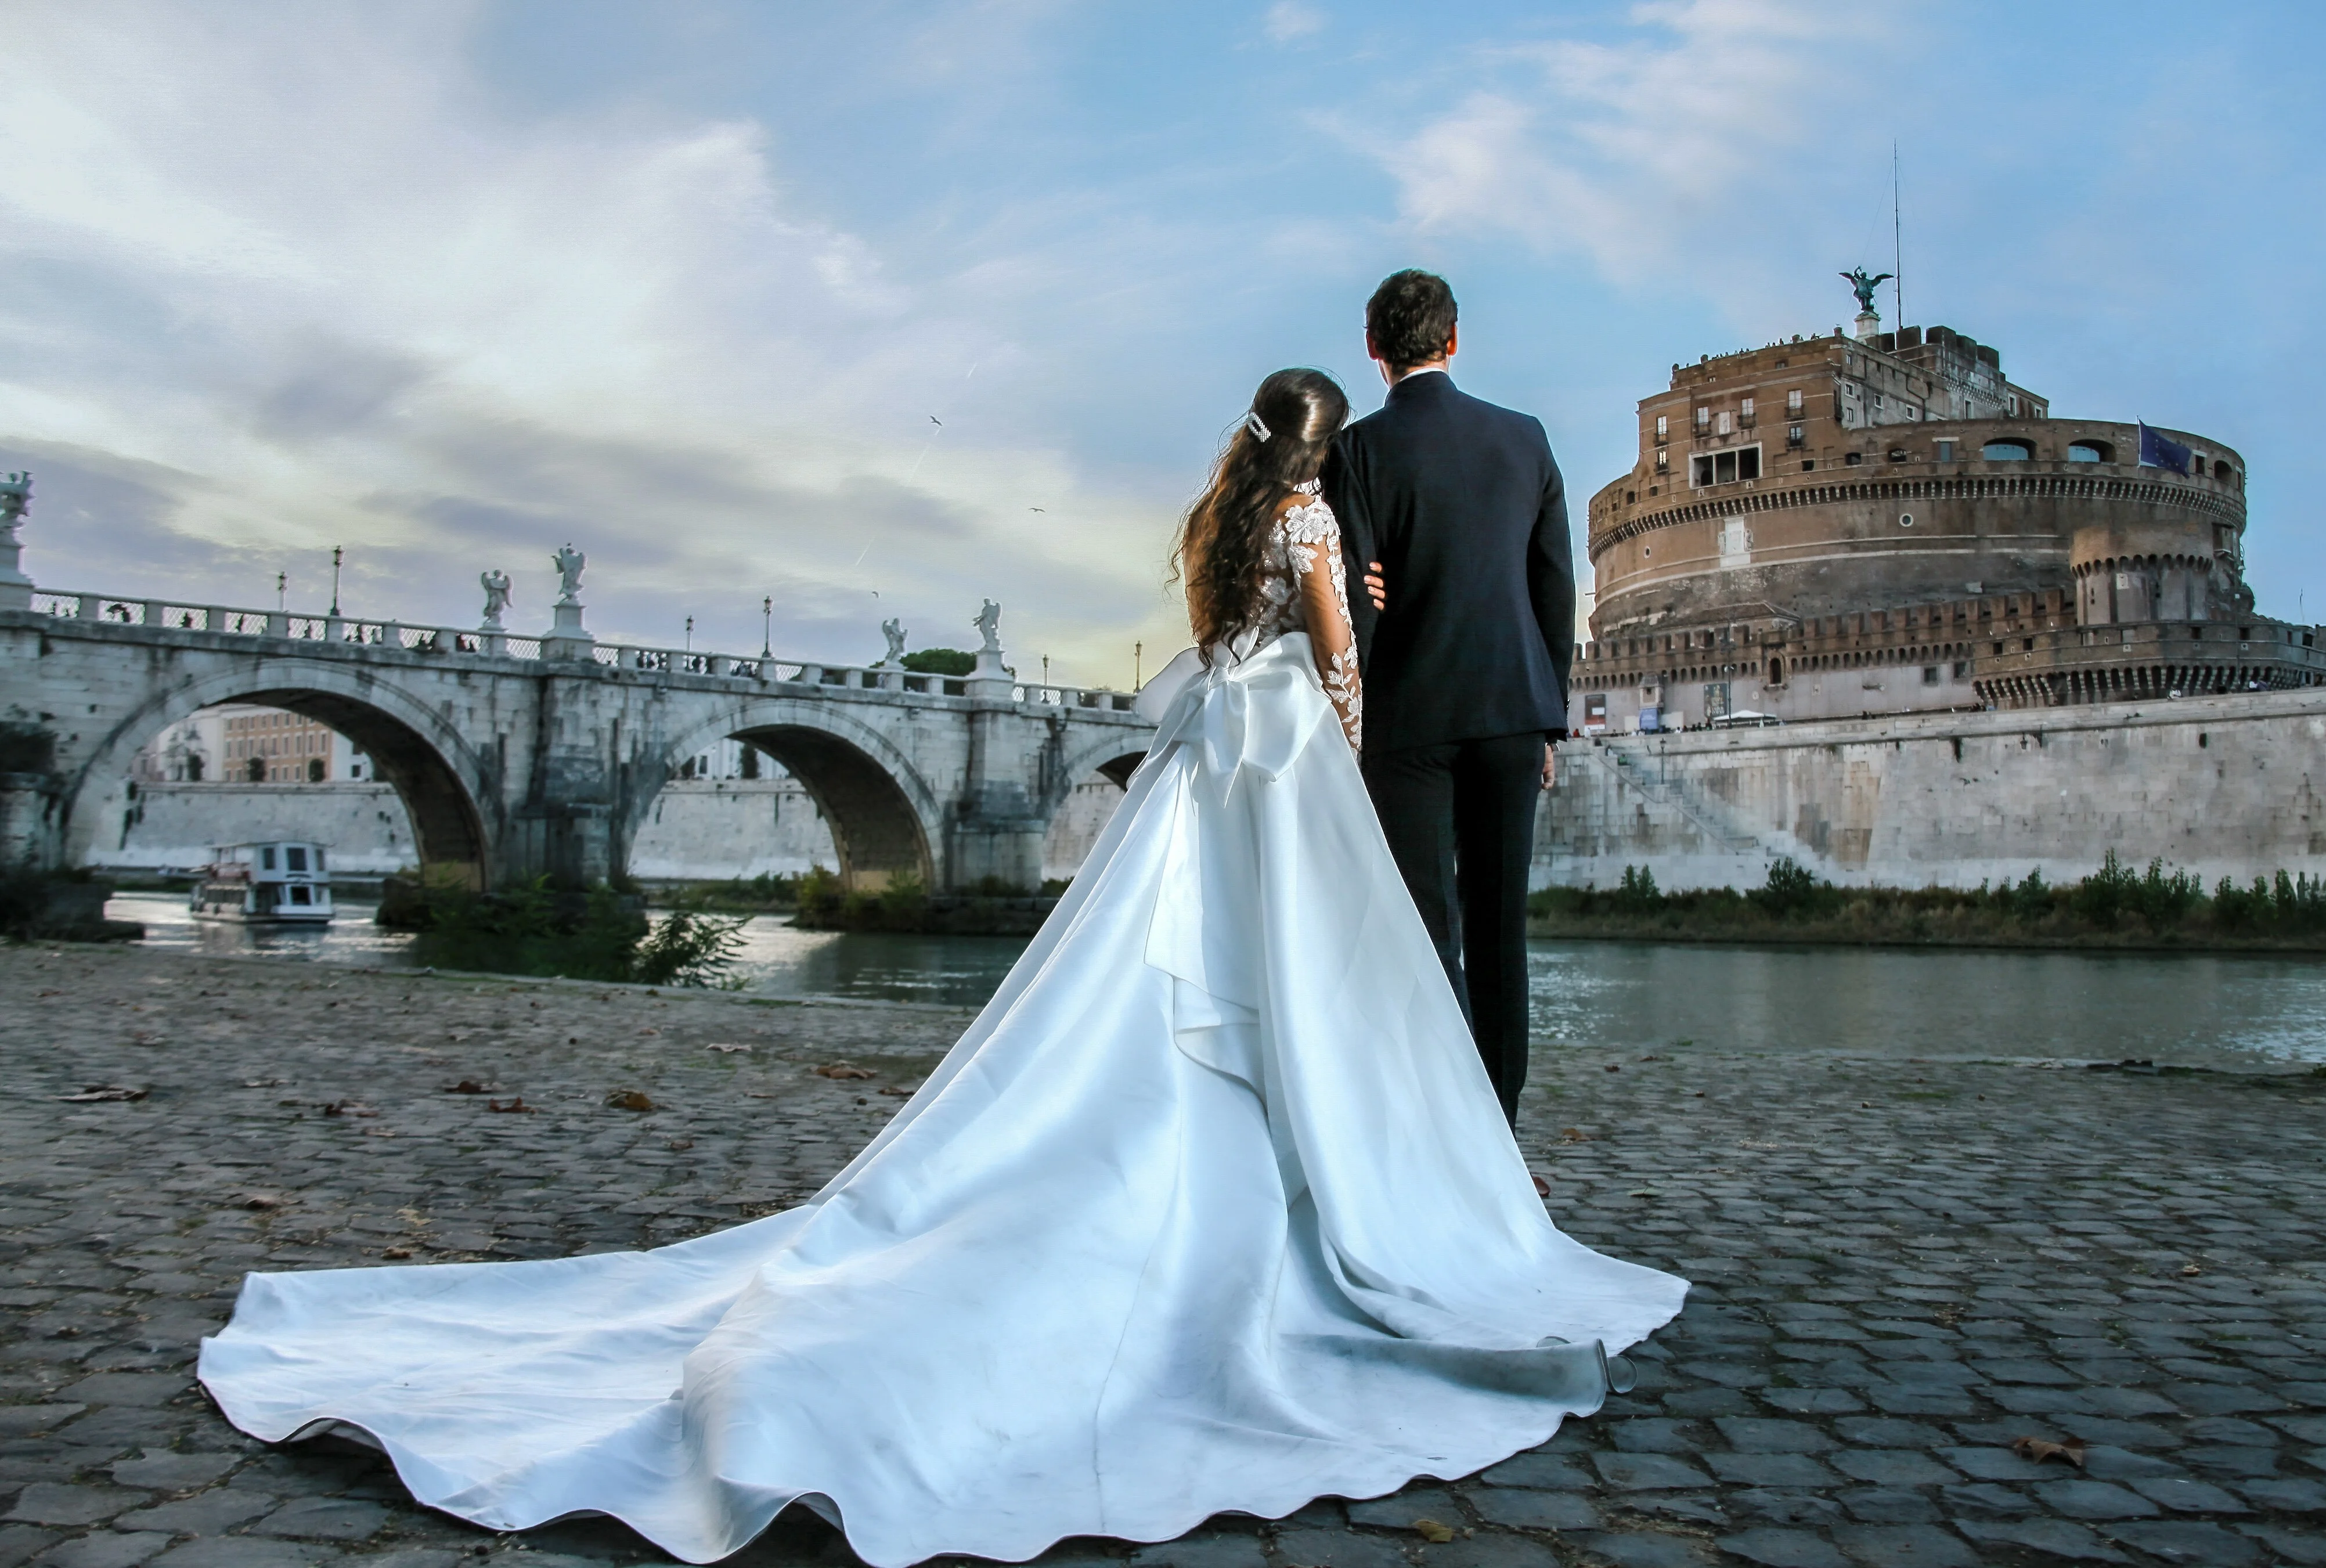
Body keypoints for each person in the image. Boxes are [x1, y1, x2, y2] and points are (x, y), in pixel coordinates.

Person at [197, 369, 1685, 1568]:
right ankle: (1369, 1153)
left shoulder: (1220, 524)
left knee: (1171, 971)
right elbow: (1340, 668)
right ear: (1324, 445)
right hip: (1291, 758)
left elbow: (1222, 643)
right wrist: (1352, 725)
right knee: (1317, 973)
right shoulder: (1311, 524)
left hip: (1208, 757)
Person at [1324, 270, 1578, 1131]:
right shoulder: (1525, 439)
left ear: (1372, 348)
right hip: (1513, 709)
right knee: (1501, 931)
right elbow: (1552, 586)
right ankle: (1497, 1131)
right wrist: (1549, 718)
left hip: (1408, 718)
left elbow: (1357, 600)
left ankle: (1441, 1132)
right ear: (1454, 340)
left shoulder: (1355, 452)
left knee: (1427, 932)